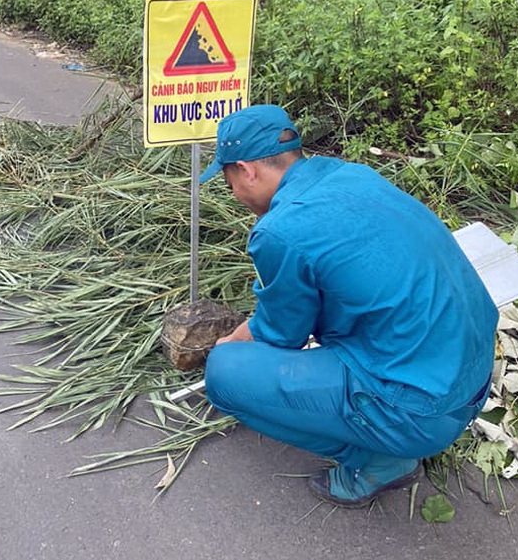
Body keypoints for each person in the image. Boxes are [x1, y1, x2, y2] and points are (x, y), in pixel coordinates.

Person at [200, 104, 498, 507]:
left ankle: (375, 462)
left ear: (246, 170)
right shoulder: (350, 174)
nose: (233, 193)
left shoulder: (279, 230)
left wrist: (227, 344)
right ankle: (391, 431)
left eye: (229, 180)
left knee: (226, 375)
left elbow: (280, 335)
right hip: (475, 376)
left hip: (422, 409)